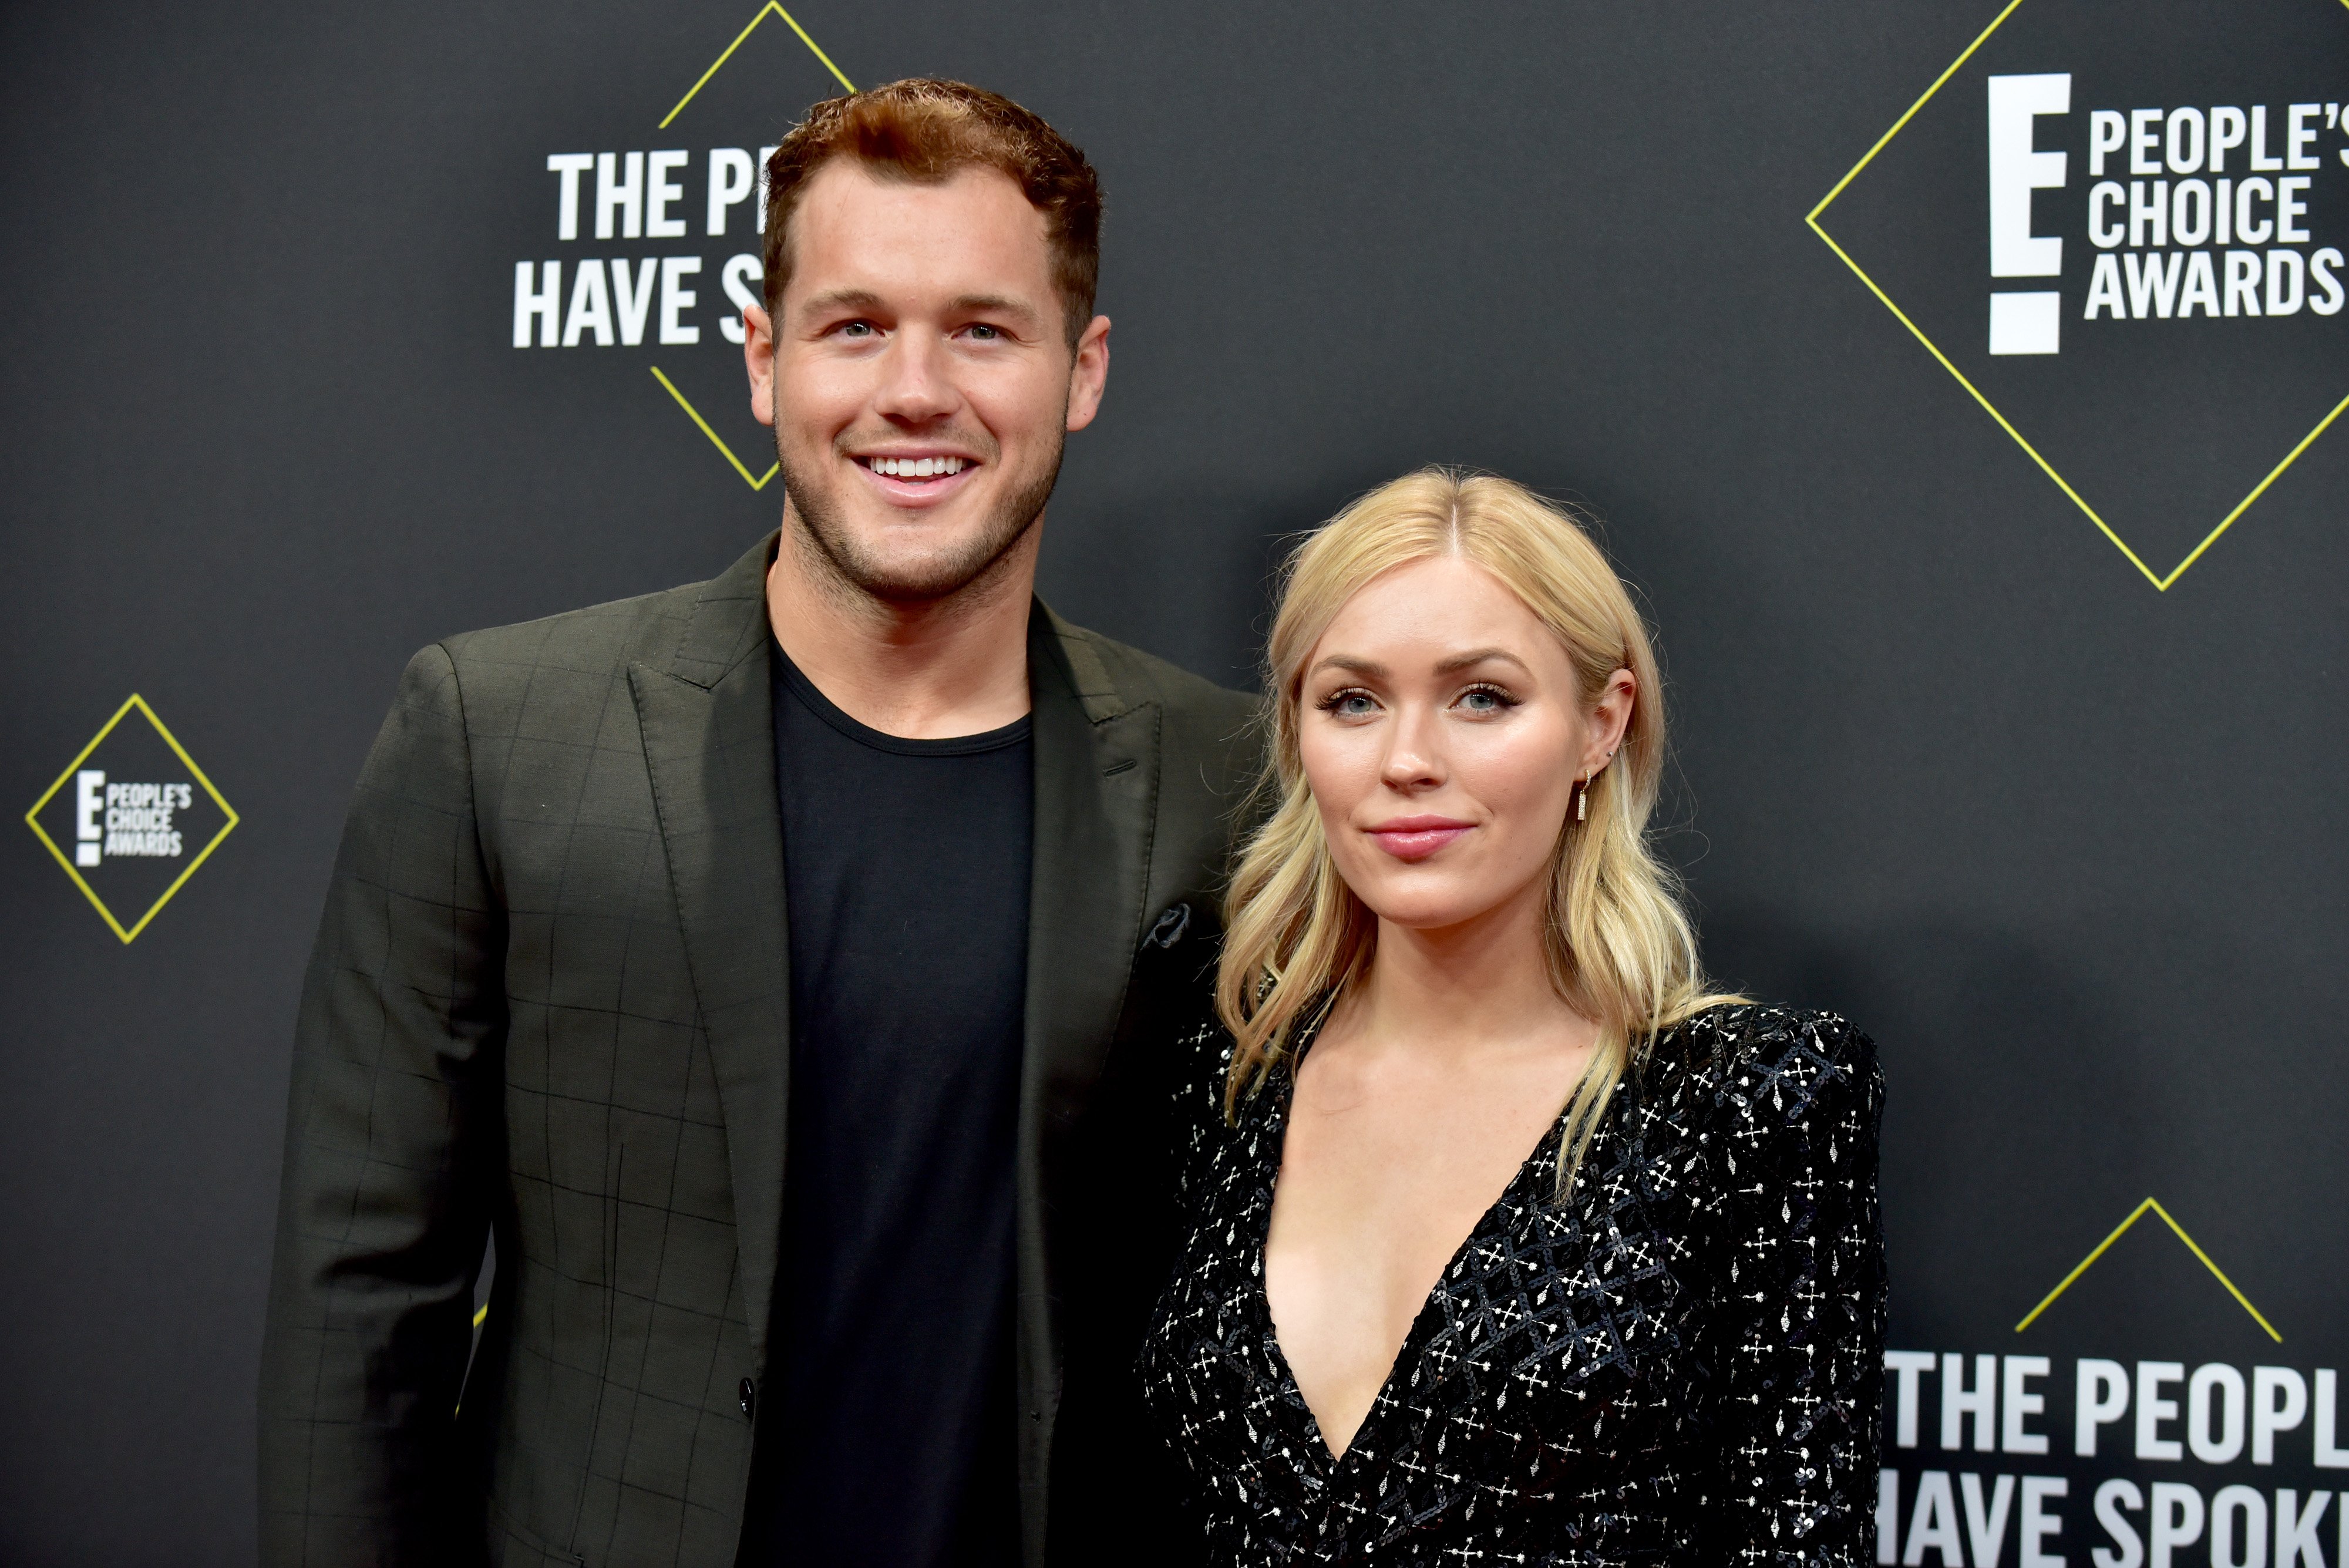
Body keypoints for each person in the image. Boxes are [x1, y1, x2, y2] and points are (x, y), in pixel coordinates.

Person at [258, 79, 1253, 1568]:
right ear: (761, 360)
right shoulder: (496, 733)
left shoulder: (1227, 777)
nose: (915, 389)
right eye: (855, 326)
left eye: (983, 329)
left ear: (1082, 368)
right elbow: (359, 1305)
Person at [1139, 469, 1886, 1563]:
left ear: (1600, 724)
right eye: (1352, 700)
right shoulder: (1222, 1071)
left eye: (1480, 697)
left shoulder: (1749, 1104)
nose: (1406, 760)